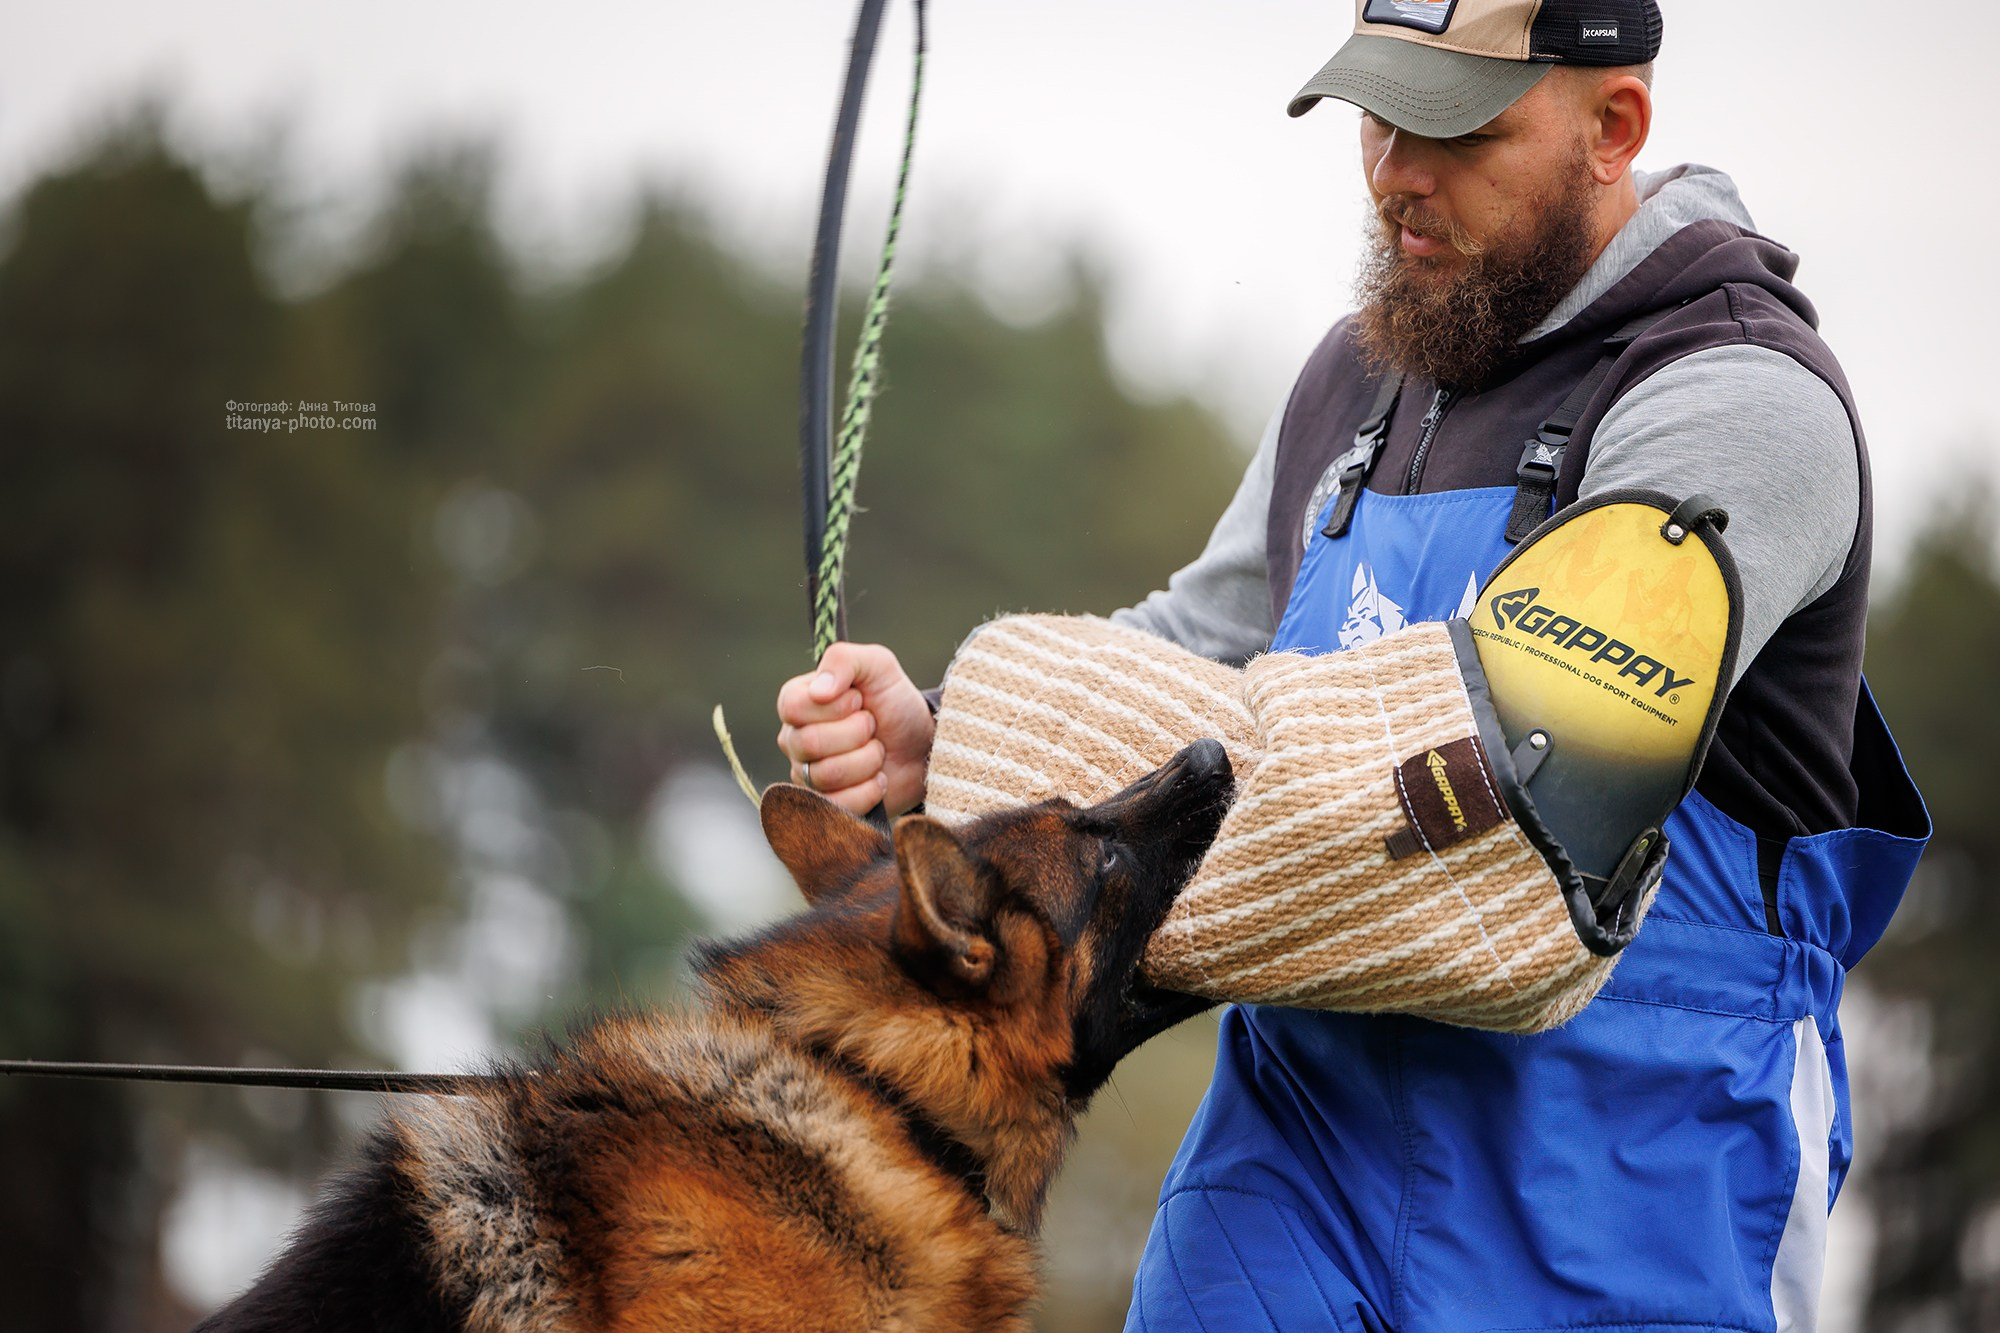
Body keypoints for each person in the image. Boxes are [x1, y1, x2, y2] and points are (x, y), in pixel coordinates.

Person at [776, 2, 1931, 1327]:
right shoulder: (1354, 382)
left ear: (1612, 127)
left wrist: (1118, 766)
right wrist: (946, 732)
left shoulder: (1737, 397)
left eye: (1453, 126)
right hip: (1293, 1172)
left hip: (1627, 1181)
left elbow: (1531, 752)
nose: (1394, 173)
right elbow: (1180, 658)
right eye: (1378, 117)